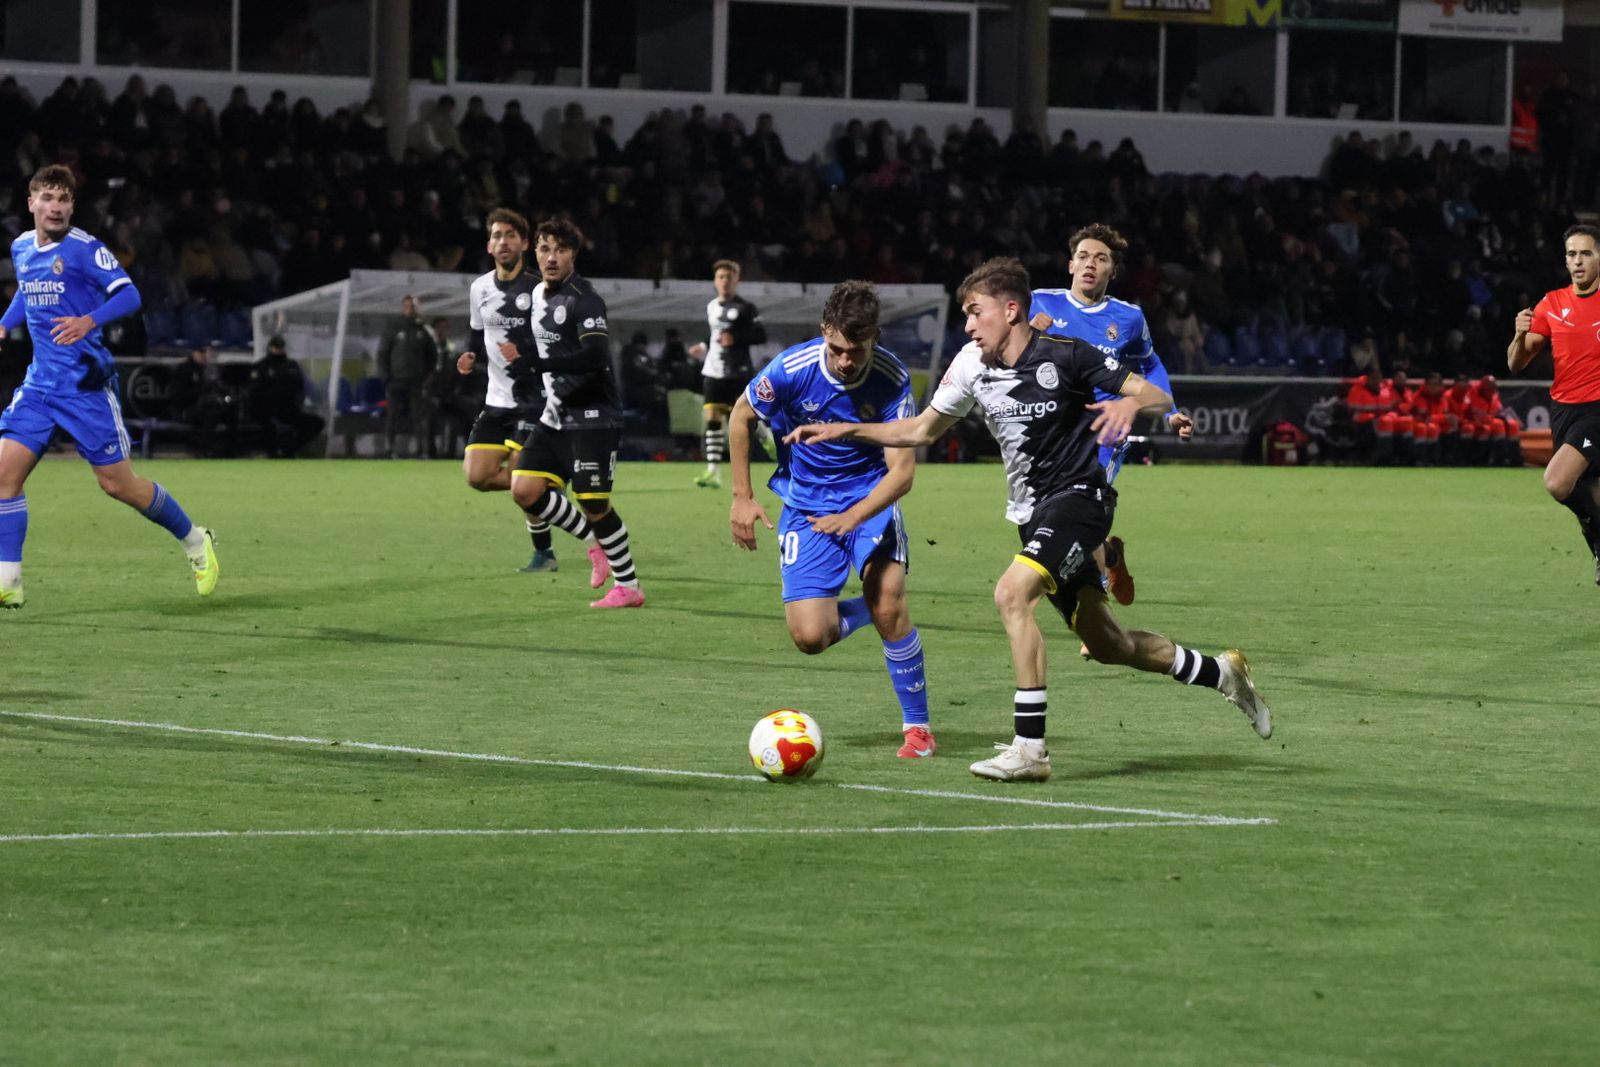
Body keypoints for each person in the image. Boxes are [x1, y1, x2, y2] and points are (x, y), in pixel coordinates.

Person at [788, 257, 1271, 782]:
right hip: (1033, 514)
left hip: (1080, 500)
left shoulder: (1066, 356)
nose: (968, 325)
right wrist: (846, 431)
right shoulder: (971, 365)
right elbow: (922, 430)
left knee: (1011, 594)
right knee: (1110, 644)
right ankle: (1222, 673)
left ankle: (1030, 749)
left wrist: (1130, 409)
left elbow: (1152, 393)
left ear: (1010, 309)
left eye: (976, 312)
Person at [728, 280, 936, 759]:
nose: (847, 360)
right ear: (825, 331)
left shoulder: (890, 376)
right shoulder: (792, 369)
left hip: (869, 501)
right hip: (805, 505)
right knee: (810, 637)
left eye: (856, 350)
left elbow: (901, 473)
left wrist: (854, 516)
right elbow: (741, 415)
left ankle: (918, 728)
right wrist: (741, 497)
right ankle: (874, 607)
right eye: (838, 348)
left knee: (889, 604)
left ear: (875, 338)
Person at [0, 164, 218, 608]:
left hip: (85, 386)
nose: (55, 207)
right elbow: (27, 289)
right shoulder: (21, 246)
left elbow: (129, 295)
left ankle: (196, 540)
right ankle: (9, 581)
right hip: (41, 386)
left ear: (72, 206)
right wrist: (4, 325)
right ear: (32, 204)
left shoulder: (85, 249)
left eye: (63, 200)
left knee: (118, 485)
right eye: (47, 198)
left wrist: (88, 320)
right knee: (4, 477)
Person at [1028, 223, 1194, 610]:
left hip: (1105, 429)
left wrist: (1168, 412)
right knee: (1046, 518)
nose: (1090, 264)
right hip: (1051, 430)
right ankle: (1110, 555)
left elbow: (1150, 366)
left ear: (1112, 271)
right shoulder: (1039, 303)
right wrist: (1027, 333)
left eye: (1100, 259)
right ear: (1070, 265)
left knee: (1077, 509)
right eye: (1083, 257)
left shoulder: (1129, 318)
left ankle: (1095, 615)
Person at [507, 216, 645, 608]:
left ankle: (630, 586)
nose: (552, 257)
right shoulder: (536, 296)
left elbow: (596, 355)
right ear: (535, 251)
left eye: (561, 249)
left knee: (594, 502)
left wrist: (540, 365)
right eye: (545, 248)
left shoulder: (585, 298)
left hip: (594, 415)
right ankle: (594, 544)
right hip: (555, 414)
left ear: (573, 255)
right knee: (525, 489)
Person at [459, 207, 571, 575]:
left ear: (524, 243)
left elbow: (557, 344)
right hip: (496, 401)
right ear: (488, 245)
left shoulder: (540, 290)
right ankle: (546, 488)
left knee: (521, 484)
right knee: (476, 477)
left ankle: (544, 554)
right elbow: (478, 331)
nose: (502, 241)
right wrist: (470, 354)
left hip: (534, 401)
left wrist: (526, 354)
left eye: (509, 235)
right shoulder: (479, 288)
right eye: (495, 236)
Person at [1508, 222, 1600, 584]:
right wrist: (1518, 333)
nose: (1578, 261)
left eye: (1586, 253)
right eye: (1572, 254)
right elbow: (1516, 363)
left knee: (1557, 482)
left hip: (1598, 411)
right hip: (1564, 411)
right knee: (1589, 500)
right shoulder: (1552, 303)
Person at [690, 259, 767, 489]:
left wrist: (736, 340)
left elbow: (760, 335)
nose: (725, 281)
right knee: (712, 417)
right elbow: (714, 336)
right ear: (715, 281)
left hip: (739, 371)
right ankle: (713, 471)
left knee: (745, 419)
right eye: (721, 277)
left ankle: (769, 439)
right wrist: (703, 348)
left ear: (737, 281)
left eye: (729, 277)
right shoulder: (711, 306)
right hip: (713, 372)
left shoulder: (746, 308)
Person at [376, 294, 439, 459]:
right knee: (393, 416)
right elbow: (383, 354)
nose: (410, 309)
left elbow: (432, 356)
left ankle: (421, 450)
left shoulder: (423, 330)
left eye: (413, 306)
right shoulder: (393, 327)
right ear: (402, 307)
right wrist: (386, 378)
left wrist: (427, 377)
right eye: (407, 306)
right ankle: (390, 450)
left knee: (419, 417)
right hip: (395, 381)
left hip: (416, 382)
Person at [250, 335, 325, 457]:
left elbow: (300, 387)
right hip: (266, 412)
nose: (278, 350)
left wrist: (298, 403)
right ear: (270, 348)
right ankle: (273, 454)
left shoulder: (292, 366)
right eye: (276, 347)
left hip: (288, 410)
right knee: (270, 428)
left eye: (280, 347)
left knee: (317, 423)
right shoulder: (261, 366)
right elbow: (255, 393)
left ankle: (288, 449)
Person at [170, 345, 240, 457]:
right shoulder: (184, 369)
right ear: (193, 353)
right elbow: (180, 396)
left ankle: (229, 451)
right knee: (210, 415)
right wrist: (202, 390)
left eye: (205, 353)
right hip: (188, 408)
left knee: (230, 413)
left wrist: (226, 397)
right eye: (201, 352)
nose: (204, 356)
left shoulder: (210, 370)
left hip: (210, 405)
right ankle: (204, 450)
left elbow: (220, 388)